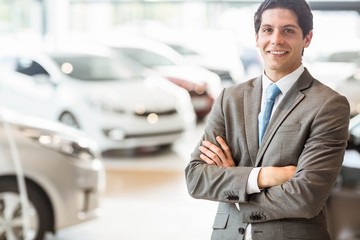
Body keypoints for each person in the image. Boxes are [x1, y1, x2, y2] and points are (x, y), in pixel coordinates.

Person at [184, 0, 350, 239]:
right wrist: (264, 176)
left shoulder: (328, 104)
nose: (276, 40)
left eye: (288, 30)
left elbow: (306, 197)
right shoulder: (229, 98)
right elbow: (196, 178)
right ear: (256, 37)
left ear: (307, 38)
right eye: (268, 30)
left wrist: (234, 183)